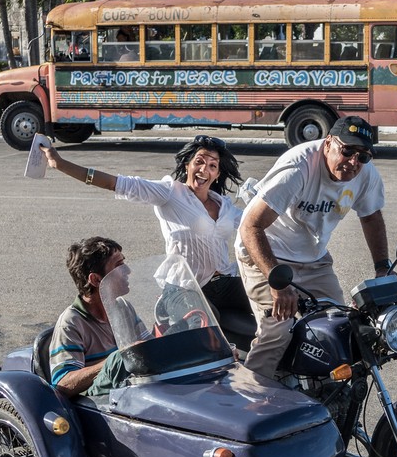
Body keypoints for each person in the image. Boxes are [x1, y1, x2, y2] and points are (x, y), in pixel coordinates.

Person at [40, 136, 253, 333]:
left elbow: (256, 224)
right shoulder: (170, 193)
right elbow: (115, 183)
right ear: (187, 165)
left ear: (217, 174)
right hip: (183, 289)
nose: (204, 169)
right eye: (199, 161)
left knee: (269, 294)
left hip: (224, 283)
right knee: (203, 322)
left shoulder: (224, 205)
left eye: (212, 165)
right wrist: (60, 164)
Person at [235, 116, 390, 378]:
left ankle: (322, 393)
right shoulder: (299, 167)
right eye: (347, 151)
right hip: (267, 253)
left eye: (363, 156)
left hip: (313, 258)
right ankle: (252, 395)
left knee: (340, 327)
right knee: (279, 330)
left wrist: (382, 269)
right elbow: (251, 226)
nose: (354, 162)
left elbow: (371, 217)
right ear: (328, 143)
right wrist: (278, 284)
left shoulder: (365, 174)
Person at [49, 236, 149, 398]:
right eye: (119, 266)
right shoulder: (70, 322)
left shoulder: (123, 307)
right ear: (96, 279)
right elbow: (63, 383)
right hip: (98, 404)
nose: (128, 271)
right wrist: (117, 360)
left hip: (132, 393)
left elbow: (149, 347)